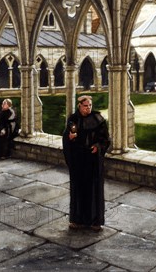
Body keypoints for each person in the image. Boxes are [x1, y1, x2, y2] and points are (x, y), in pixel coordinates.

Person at [63, 95, 111, 231]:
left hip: (93, 160)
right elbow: (66, 138)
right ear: (80, 106)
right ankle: (78, 220)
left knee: (94, 190)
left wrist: (98, 146)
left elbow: (105, 139)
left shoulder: (98, 119)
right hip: (78, 160)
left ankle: (95, 222)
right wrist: (70, 137)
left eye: (90, 105)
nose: (88, 108)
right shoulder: (73, 119)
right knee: (79, 189)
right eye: (85, 106)